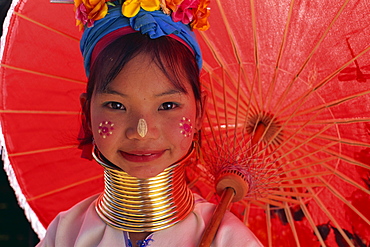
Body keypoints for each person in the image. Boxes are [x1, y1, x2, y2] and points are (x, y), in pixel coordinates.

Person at [37, 0, 262, 246]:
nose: (142, 132)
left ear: (199, 112)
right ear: (86, 114)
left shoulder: (228, 239)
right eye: (116, 105)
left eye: (167, 106)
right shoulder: (66, 234)